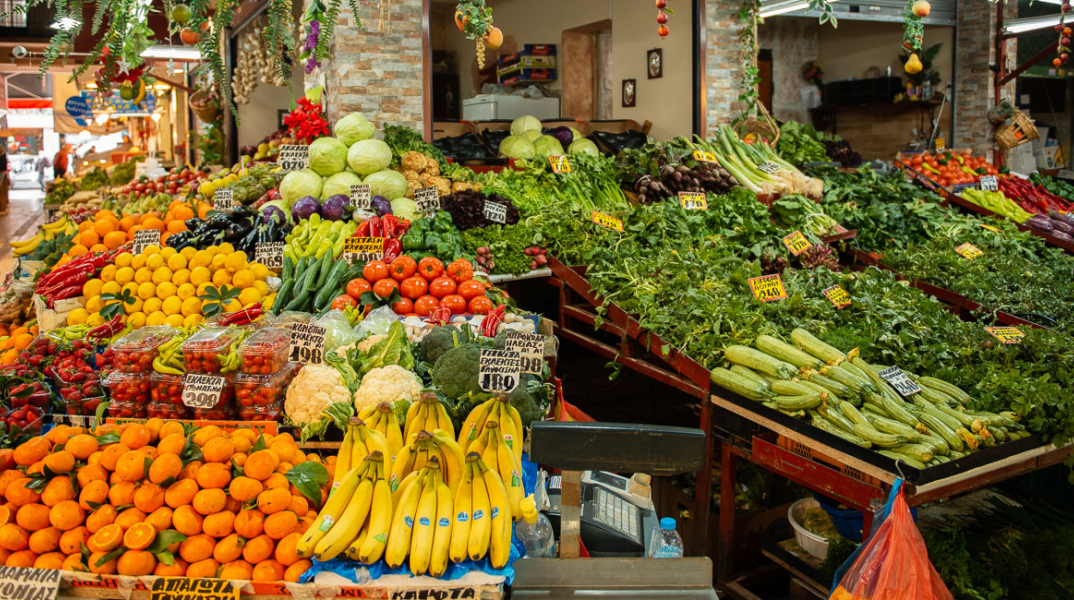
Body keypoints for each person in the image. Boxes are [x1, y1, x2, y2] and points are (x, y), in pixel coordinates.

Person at [0, 145, 9, 216]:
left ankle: (2, 209)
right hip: (3, 173)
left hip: (1, 174)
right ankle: (3, 208)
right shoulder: (3, 154)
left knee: (1, 192)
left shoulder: (2, 154)